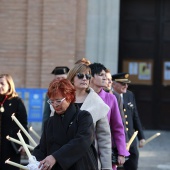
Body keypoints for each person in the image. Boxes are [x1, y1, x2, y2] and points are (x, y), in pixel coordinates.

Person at [33, 79, 98, 170]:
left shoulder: (84, 117)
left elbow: (81, 141)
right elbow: (42, 148)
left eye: (58, 101)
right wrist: (34, 161)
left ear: (69, 97)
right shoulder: (50, 122)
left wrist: (55, 157)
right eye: (51, 101)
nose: (55, 105)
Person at [67, 63, 112, 170]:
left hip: (87, 159)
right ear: (72, 78)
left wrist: (106, 167)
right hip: (63, 158)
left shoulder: (98, 104)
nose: (84, 79)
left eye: (87, 76)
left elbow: (104, 138)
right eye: (80, 75)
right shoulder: (61, 100)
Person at [89, 63, 130, 170]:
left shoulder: (111, 98)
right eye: (101, 75)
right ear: (92, 77)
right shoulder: (83, 97)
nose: (105, 78)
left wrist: (121, 152)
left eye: (105, 76)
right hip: (87, 148)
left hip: (106, 150)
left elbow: (118, 127)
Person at [112, 72, 145, 170]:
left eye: (127, 84)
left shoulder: (129, 95)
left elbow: (135, 116)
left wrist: (141, 137)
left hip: (131, 140)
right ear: (114, 84)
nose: (126, 86)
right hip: (118, 140)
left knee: (133, 165)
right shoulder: (110, 96)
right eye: (123, 83)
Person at [0, 74, 28, 170]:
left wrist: (24, 144)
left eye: (2, 84)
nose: (0, 86)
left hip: (11, 146)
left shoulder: (17, 102)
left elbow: (23, 124)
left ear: (9, 85)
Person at [105, 69, 128, 143]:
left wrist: (124, 141)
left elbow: (120, 122)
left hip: (112, 141)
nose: (110, 82)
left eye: (110, 80)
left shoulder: (116, 97)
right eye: (107, 79)